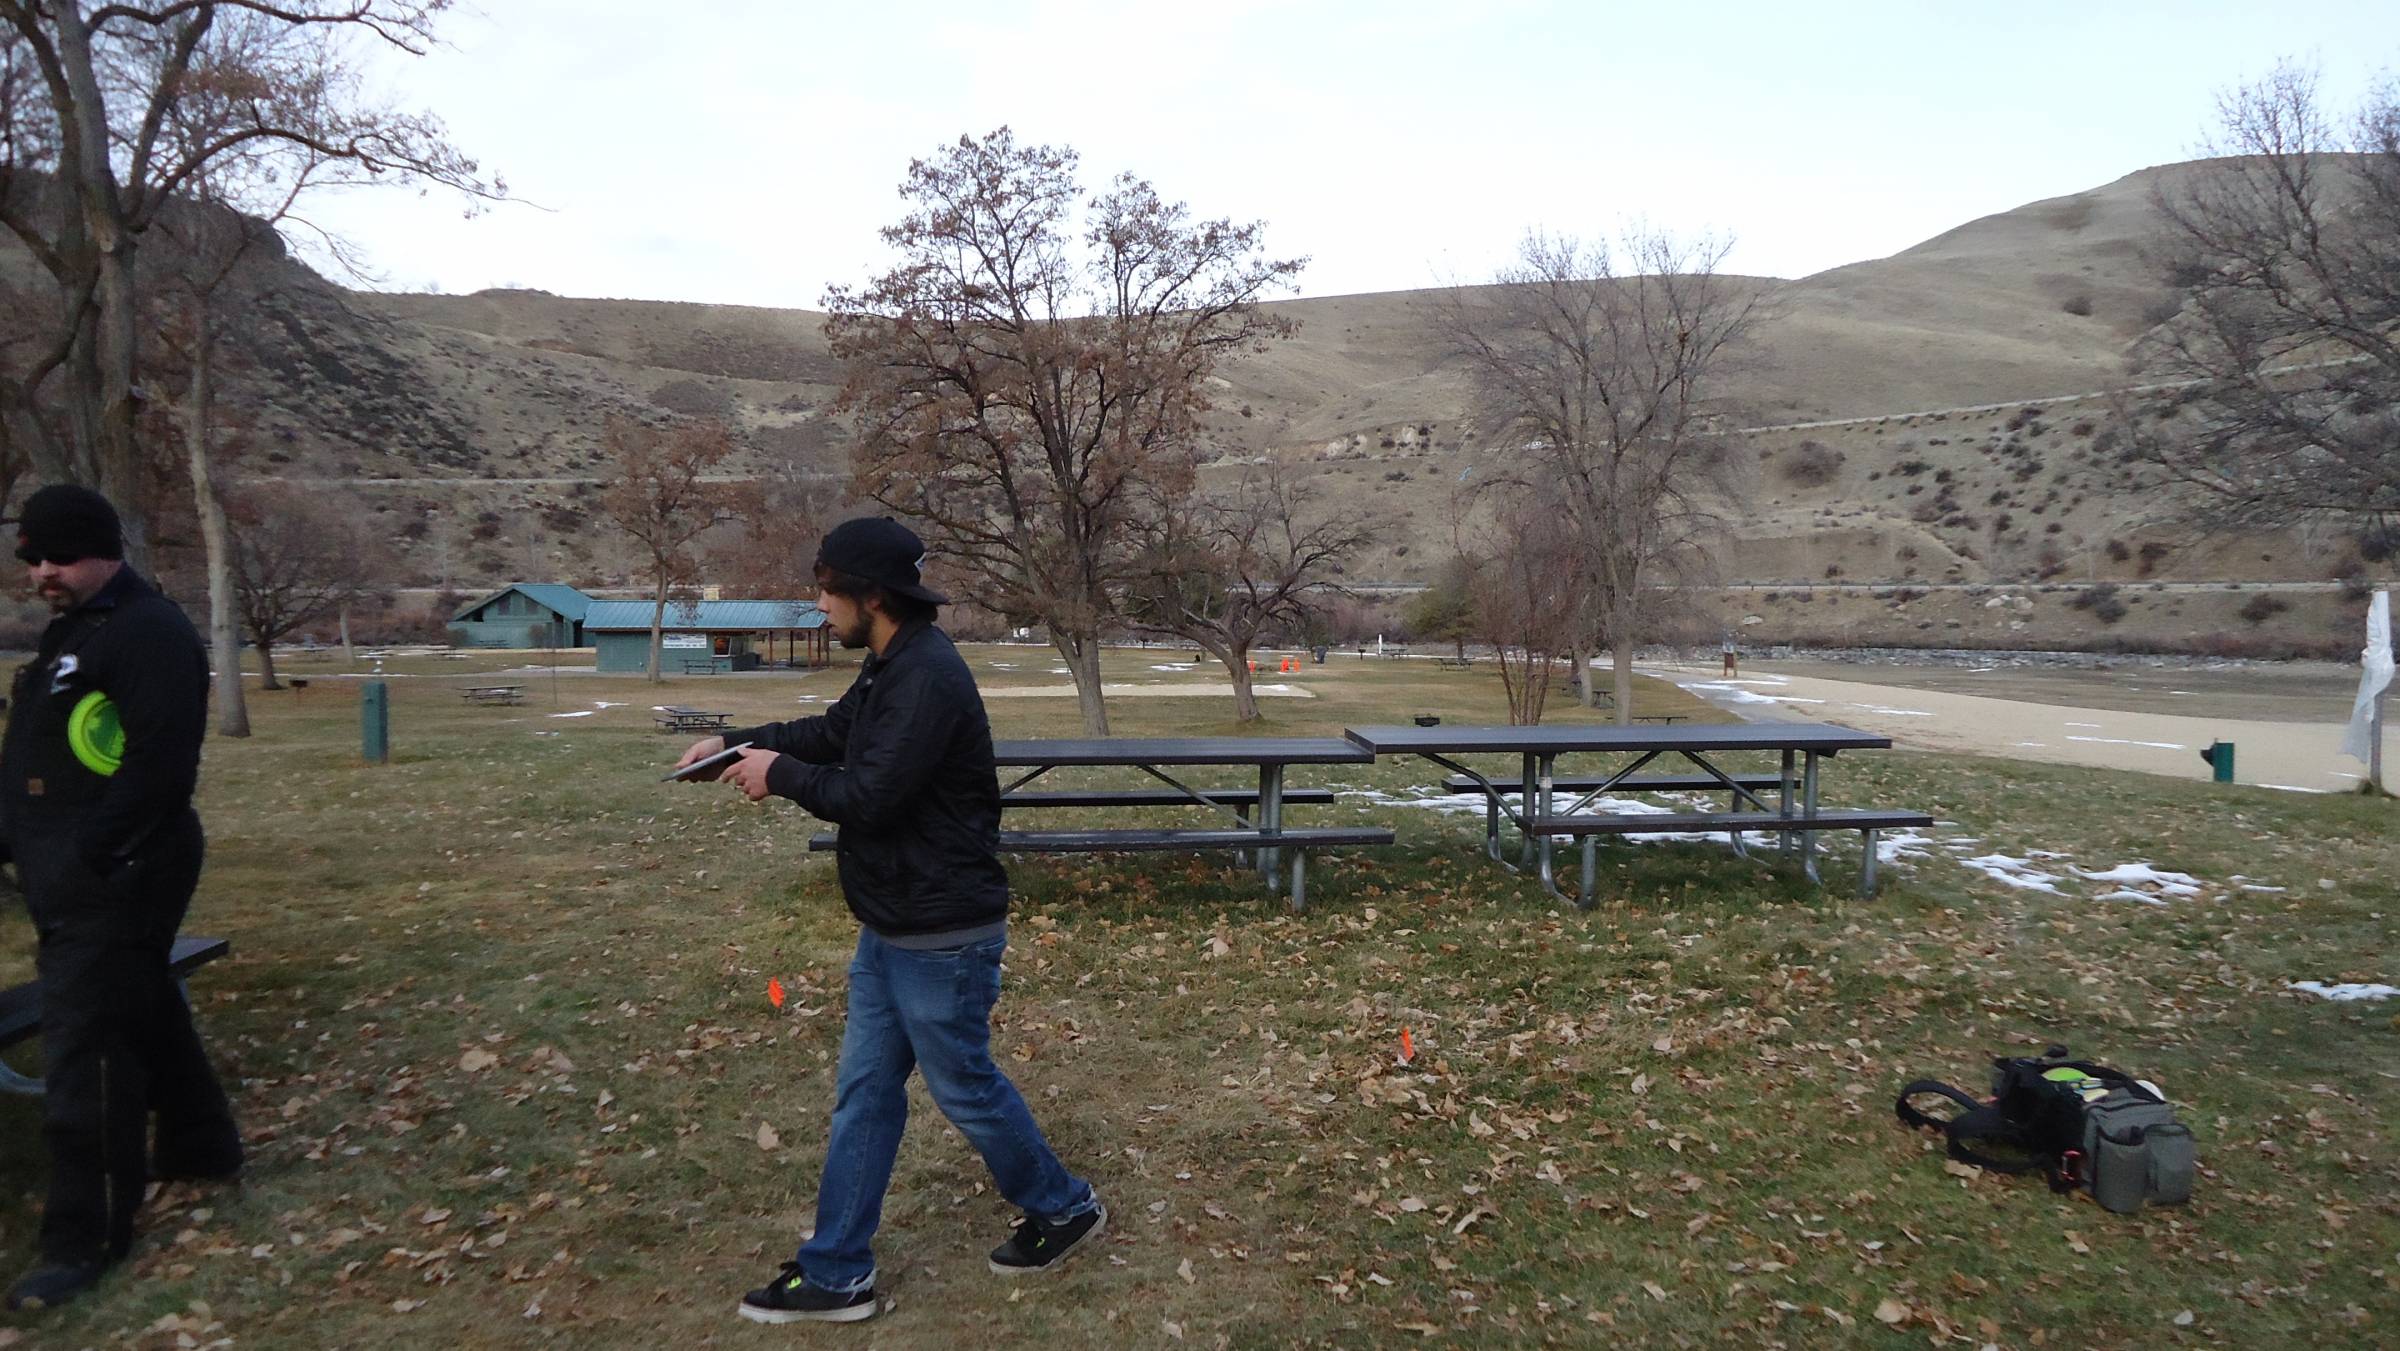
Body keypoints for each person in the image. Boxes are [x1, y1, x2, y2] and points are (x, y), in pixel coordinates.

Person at [674, 516, 1102, 1326]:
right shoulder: (889, 665)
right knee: (866, 1093)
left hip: (942, 935)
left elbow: (868, 796)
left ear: (872, 596)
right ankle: (837, 1271)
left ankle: (1065, 1204)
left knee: (964, 1086)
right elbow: (834, 734)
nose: (819, 604)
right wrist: (735, 744)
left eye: (828, 590)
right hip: (891, 925)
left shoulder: (927, 677)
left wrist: (781, 775)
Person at [0, 485, 241, 1312]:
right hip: (67, 864)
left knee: (87, 1046)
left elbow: (159, 771)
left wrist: (91, 857)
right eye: (31, 558)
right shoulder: (79, 628)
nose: (42, 573)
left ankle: (83, 1236)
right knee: (139, 1000)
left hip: (119, 871)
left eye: (58, 556)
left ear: (104, 549)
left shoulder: (150, 634)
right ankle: (203, 1143)